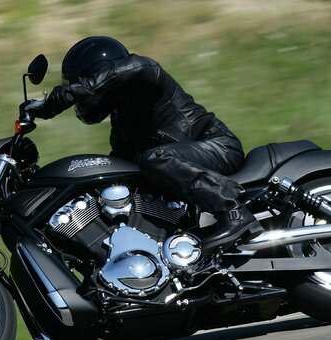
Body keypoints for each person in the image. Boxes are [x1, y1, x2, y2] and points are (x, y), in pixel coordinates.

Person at [25, 36, 263, 252]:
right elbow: (118, 168)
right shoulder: (122, 124)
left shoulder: (147, 78)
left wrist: (68, 94)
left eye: (87, 82)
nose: (87, 96)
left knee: (154, 159)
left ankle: (233, 212)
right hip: (187, 163)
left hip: (218, 146)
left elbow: (140, 65)